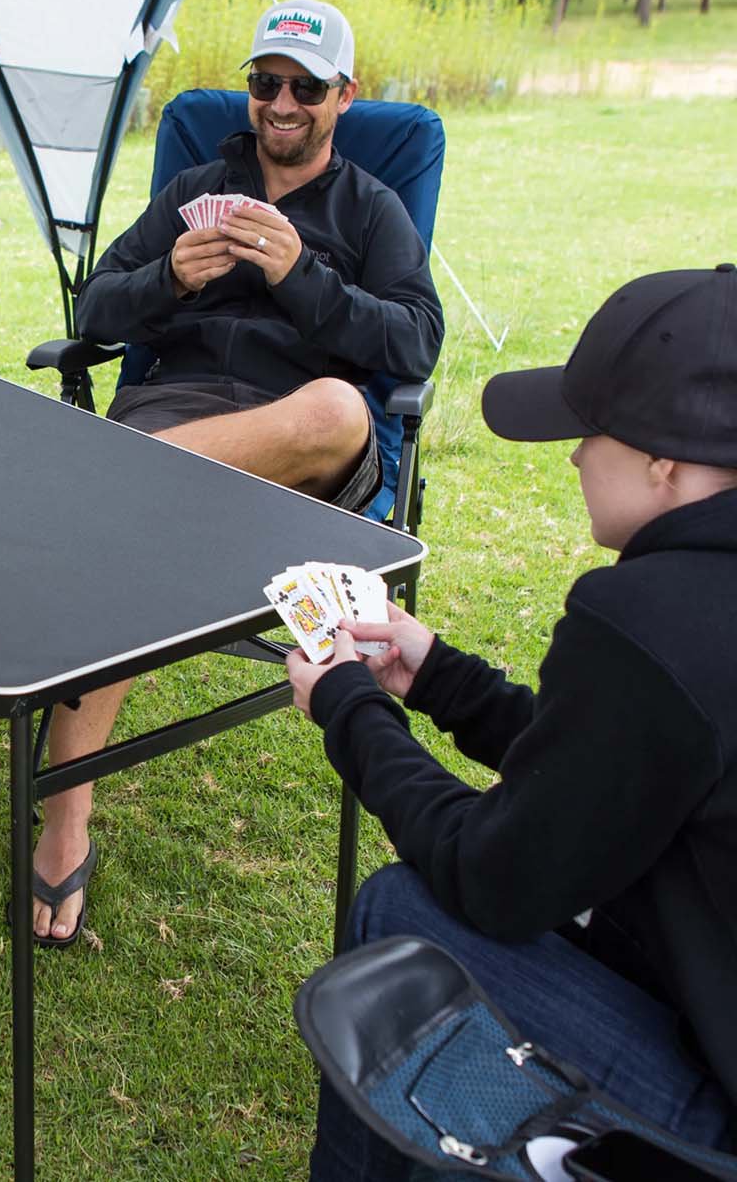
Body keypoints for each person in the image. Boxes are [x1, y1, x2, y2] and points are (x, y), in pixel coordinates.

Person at [286, 265, 737, 1178]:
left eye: (588, 432)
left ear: (667, 461)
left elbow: (493, 877)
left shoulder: (651, 617)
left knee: (401, 915)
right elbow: (619, 770)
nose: (573, 456)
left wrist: (349, 707)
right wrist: (440, 678)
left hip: (719, 1113)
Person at [27, 0, 445, 946]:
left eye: (305, 86)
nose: (282, 103)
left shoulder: (370, 208)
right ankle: (65, 824)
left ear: (344, 94)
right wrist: (168, 277)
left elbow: (416, 341)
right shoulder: (195, 187)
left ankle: (109, 482)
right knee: (128, 539)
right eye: (266, 84)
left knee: (338, 408)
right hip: (172, 413)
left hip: (299, 444)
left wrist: (304, 275)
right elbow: (96, 306)